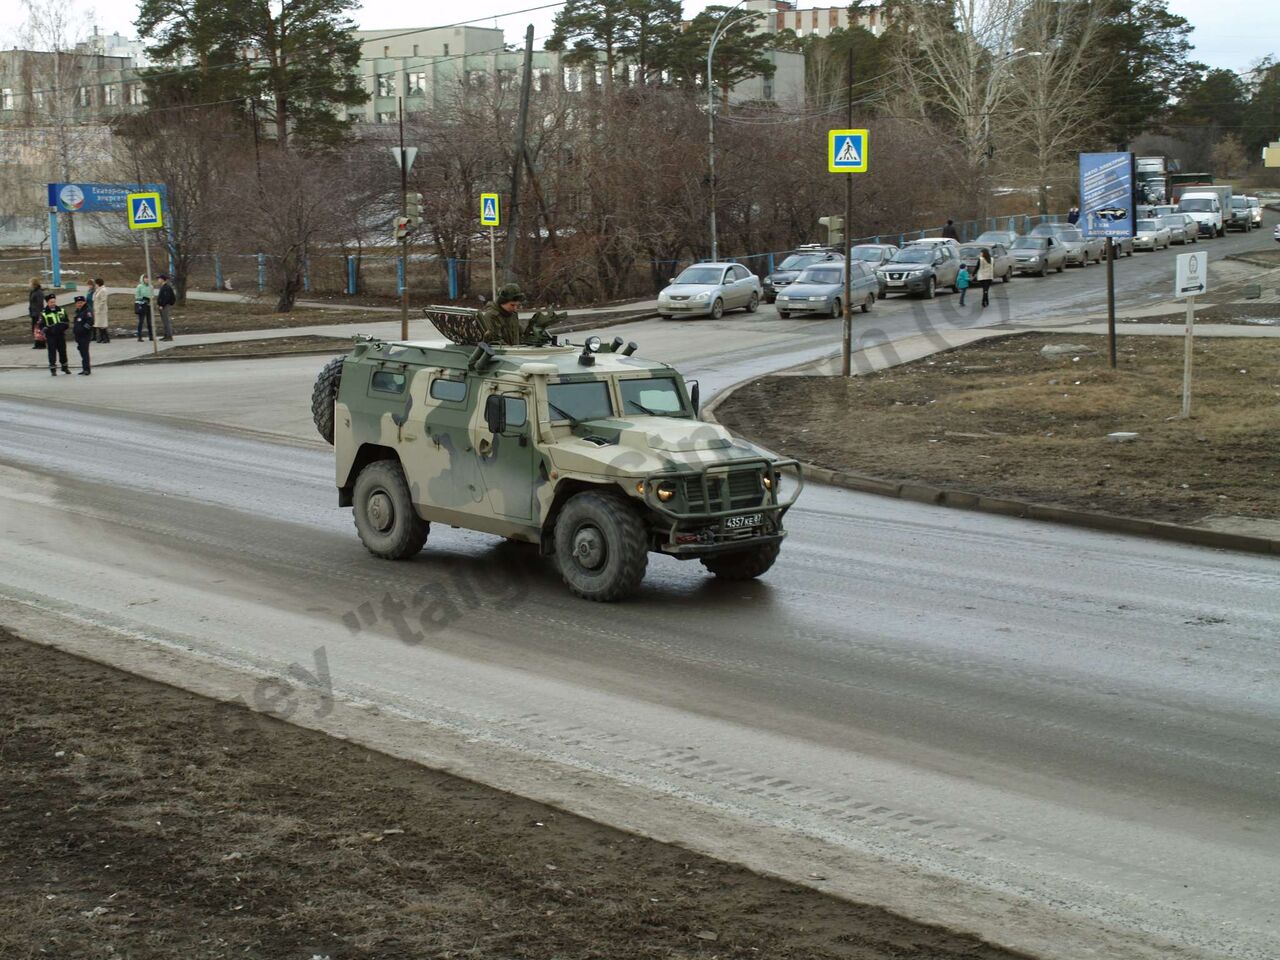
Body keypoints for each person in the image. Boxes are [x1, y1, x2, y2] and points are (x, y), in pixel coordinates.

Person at [39, 292, 71, 376]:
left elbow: (67, 321)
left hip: (60, 335)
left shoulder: (61, 310)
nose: (53, 303)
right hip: (51, 336)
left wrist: (63, 327)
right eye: (51, 302)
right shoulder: (44, 313)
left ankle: (65, 367)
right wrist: (46, 329)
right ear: (47, 303)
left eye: (54, 301)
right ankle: (53, 369)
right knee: (52, 352)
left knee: (63, 351)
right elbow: (41, 325)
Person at [72, 295, 94, 375]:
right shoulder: (78, 311)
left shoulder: (87, 310)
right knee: (82, 351)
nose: (79, 304)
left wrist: (83, 330)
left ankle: (87, 369)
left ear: (84, 302)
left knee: (84, 352)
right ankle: (84, 368)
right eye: (78, 303)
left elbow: (90, 321)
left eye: (81, 302)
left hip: (85, 335)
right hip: (78, 336)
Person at [156, 273, 176, 341]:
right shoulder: (163, 287)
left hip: (165, 306)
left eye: (159, 279)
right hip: (162, 306)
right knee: (164, 321)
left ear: (162, 279)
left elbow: (166, 298)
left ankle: (169, 336)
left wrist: (162, 305)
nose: (158, 280)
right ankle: (166, 335)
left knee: (166, 321)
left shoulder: (166, 287)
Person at [134, 274, 153, 341]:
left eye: (148, 278)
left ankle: (151, 336)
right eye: (145, 278)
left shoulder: (151, 286)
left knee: (149, 321)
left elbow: (152, 295)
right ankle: (139, 337)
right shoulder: (139, 286)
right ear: (142, 279)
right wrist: (143, 298)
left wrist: (150, 299)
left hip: (148, 305)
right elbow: (136, 296)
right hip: (142, 305)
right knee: (141, 321)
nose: (147, 279)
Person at [91, 278, 110, 343]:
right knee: (98, 324)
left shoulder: (103, 290)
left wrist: (99, 308)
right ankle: (101, 338)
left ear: (98, 283)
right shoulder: (98, 290)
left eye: (95, 283)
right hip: (97, 310)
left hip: (101, 310)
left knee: (102, 325)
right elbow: (94, 298)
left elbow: (103, 300)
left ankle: (106, 338)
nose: (95, 285)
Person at [28, 277, 45, 350]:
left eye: (30, 283)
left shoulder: (38, 292)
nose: (29, 284)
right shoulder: (33, 291)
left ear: (34, 283)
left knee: (38, 328)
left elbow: (39, 304)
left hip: (37, 313)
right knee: (35, 329)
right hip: (33, 313)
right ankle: (37, 343)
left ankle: (42, 343)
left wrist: (39, 314)